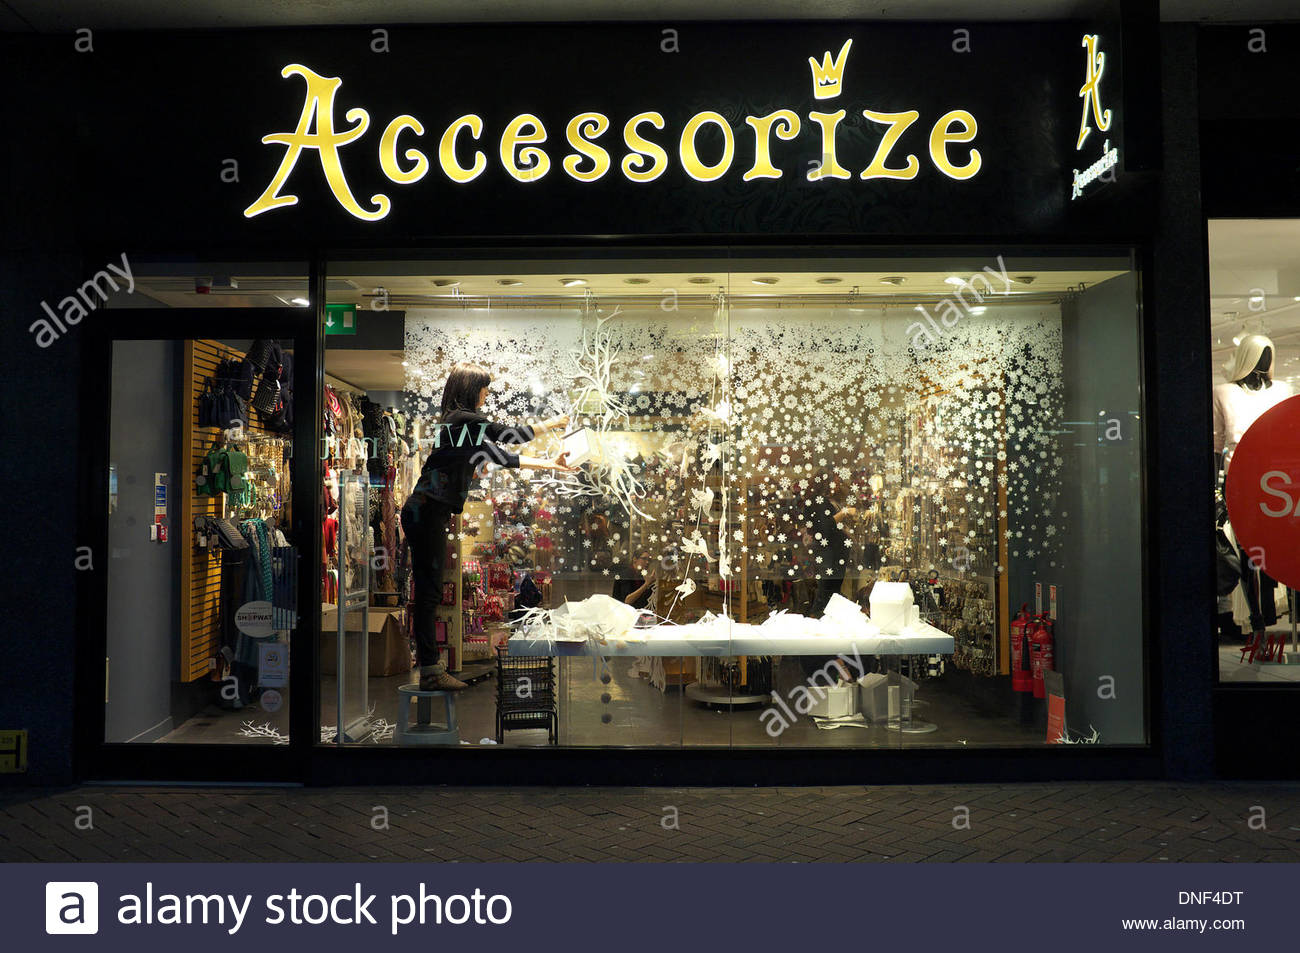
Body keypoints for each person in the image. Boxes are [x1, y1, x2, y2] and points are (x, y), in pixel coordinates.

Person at [402, 362, 574, 691]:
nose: (487, 394)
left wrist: (552, 464)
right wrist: (553, 423)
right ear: (471, 389)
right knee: (428, 594)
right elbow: (510, 436)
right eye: (485, 387)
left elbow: (503, 456)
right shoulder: (465, 421)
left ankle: (429, 668)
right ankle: (430, 671)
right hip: (426, 513)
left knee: (429, 592)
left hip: (426, 513)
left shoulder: (461, 428)